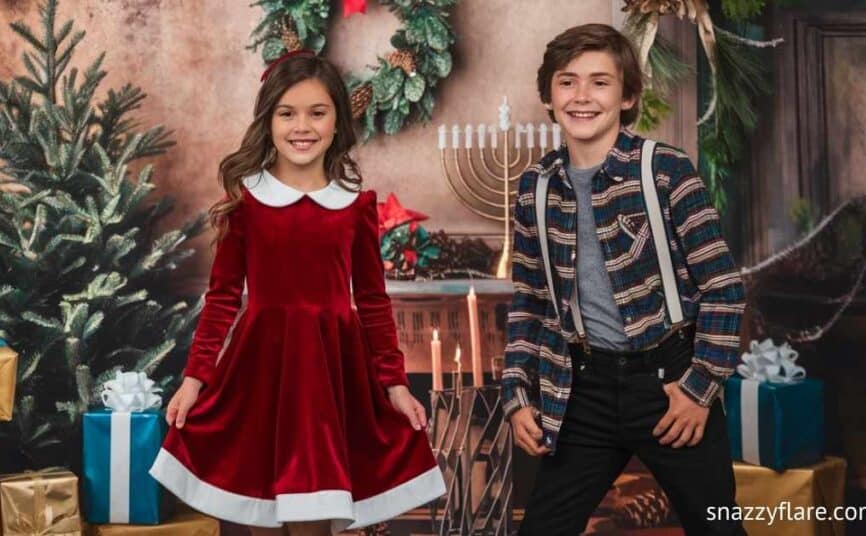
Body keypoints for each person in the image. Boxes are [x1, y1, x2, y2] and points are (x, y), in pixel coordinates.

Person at [147, 51, 446, 536]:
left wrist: (394, 384)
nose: (301, 126)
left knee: (313, 510)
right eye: (286, 113)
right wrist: (194, 378)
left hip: (330, 376)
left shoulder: (355, 207)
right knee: (261, 505)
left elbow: (372, 301)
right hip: (261, 371)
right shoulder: (246, 203)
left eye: (317, 112)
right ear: (268, 121)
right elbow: (223, 297)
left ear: (337, 123)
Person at [501, 24, 748, 535]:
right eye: (567, 82)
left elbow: (723, 288)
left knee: (717, 527)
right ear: (548, 96)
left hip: (669, 381)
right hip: (581, 388)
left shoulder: (666, 172)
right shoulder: (535, 188)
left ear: (628, 95)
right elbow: (530, 301)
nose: (582, 96)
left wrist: (699, 389)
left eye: (600, 82)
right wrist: (517, 392)